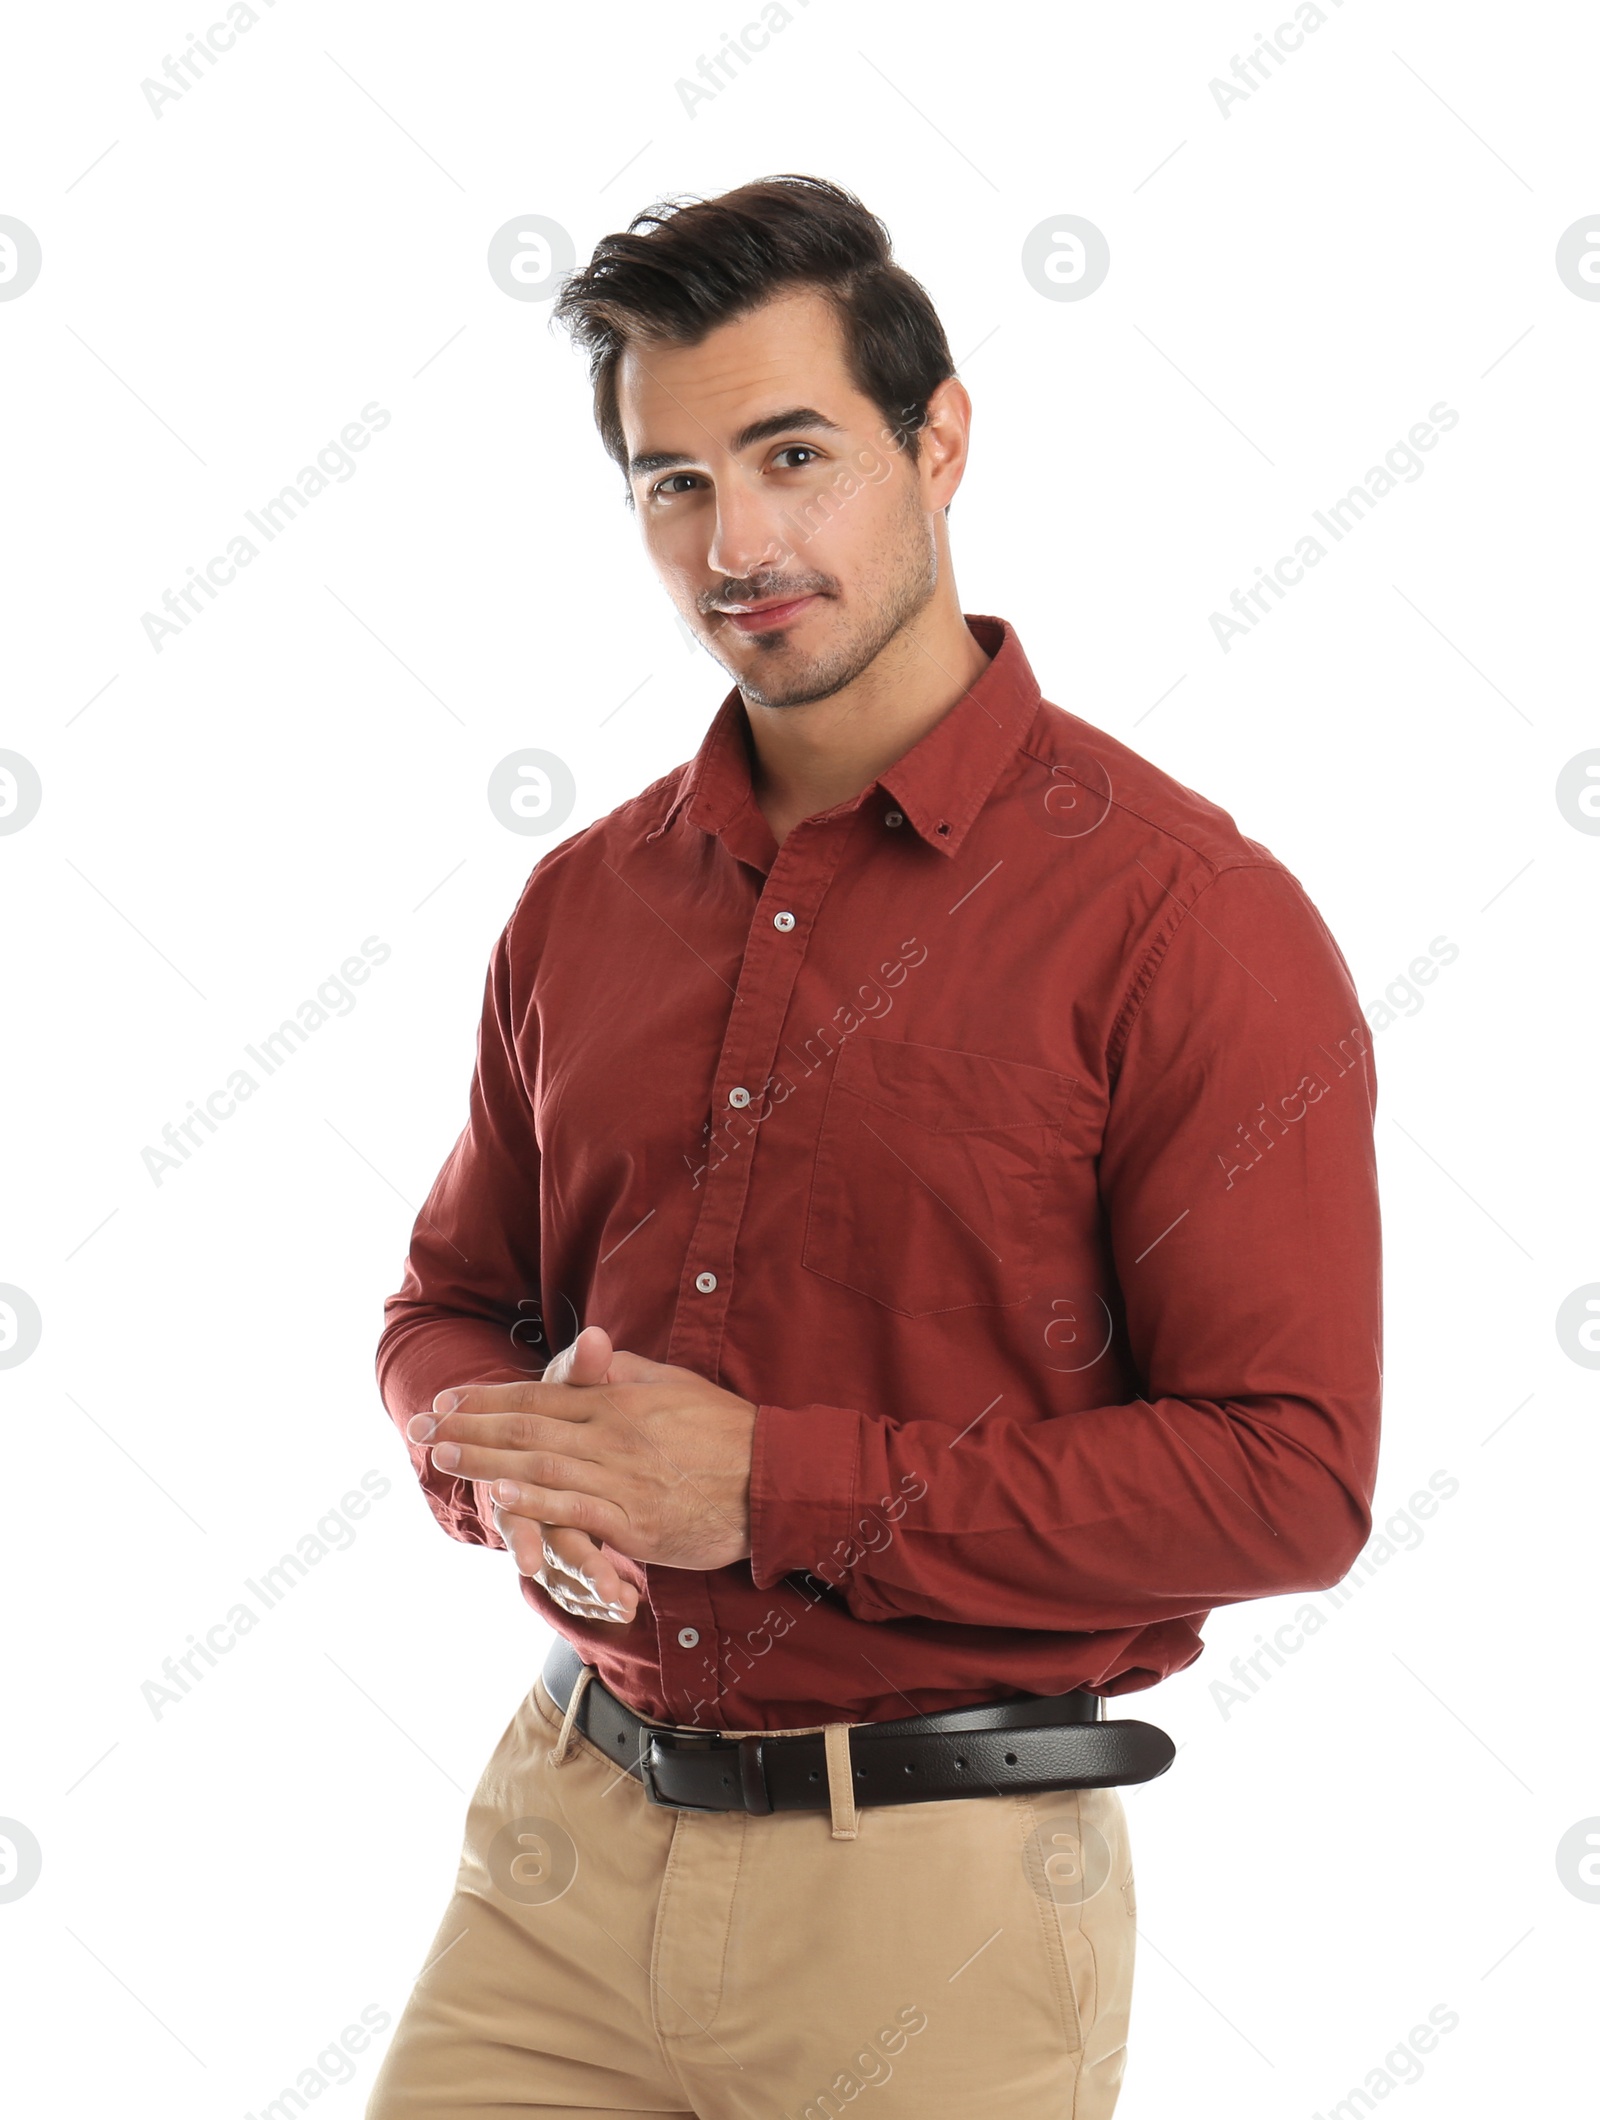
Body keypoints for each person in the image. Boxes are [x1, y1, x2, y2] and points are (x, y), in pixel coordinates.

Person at [364, 173, 1382, 2120]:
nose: (734, 540)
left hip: (932, 1898)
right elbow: (449, 1302)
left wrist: (763, 1486)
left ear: (937, 442)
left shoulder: (1178, 916)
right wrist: (486, 1452)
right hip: (560, 1852)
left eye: (790, 454)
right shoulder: (582, 904)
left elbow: (1287, 1476)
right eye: (672, 482)